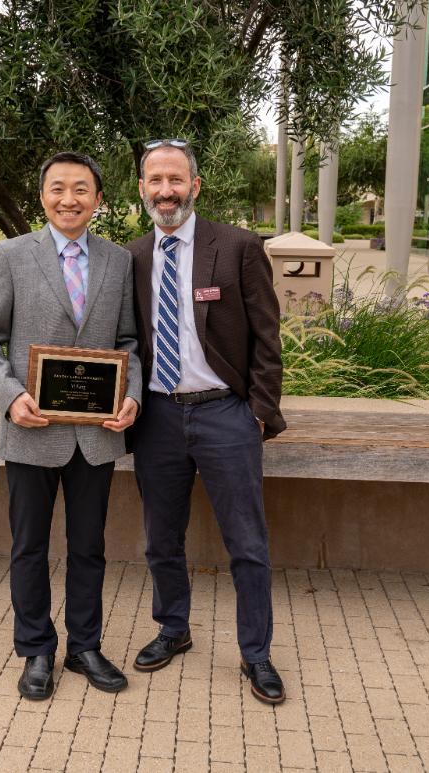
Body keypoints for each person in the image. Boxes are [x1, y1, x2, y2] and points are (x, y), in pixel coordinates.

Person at [0, 151, 142, 700]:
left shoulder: (118, 261)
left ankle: (85, 647)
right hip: (30, 429)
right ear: (42, 195)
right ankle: (37, 649)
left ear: (98, 198)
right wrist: (11, 396)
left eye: (81, 189)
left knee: (89, 547)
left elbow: (128, 344)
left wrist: (132, 396)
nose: (69, 199)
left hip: (95, 435)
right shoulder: (12, 256)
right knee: (29, 547)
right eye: (58, 188)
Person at [126, 139, 287, 704]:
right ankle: (174, 629)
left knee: (247, 543)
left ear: (195, 185)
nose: (165, 191)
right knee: (161, 539)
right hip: (159, 419)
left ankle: (256, 654)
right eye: (154, 181)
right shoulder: (135, 255)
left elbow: (268, 338)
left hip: (226, 415)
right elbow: (130, 342)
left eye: (175, 180)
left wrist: (259, 414)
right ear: (142, 188)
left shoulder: (238, 247)